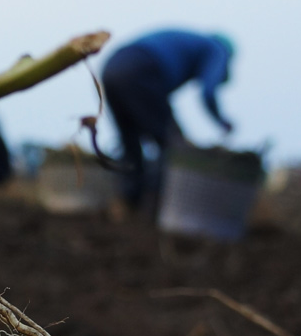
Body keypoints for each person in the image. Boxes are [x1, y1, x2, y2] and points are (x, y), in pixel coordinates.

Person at [100, 30, 235, 210]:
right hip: (142, 68)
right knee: (172, 144)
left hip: (112, 67)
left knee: (129, 141)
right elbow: (208, 91)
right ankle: (163, 205)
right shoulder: (217, 50)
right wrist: (221, 121)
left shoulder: (191, 43)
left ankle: (129, 204)